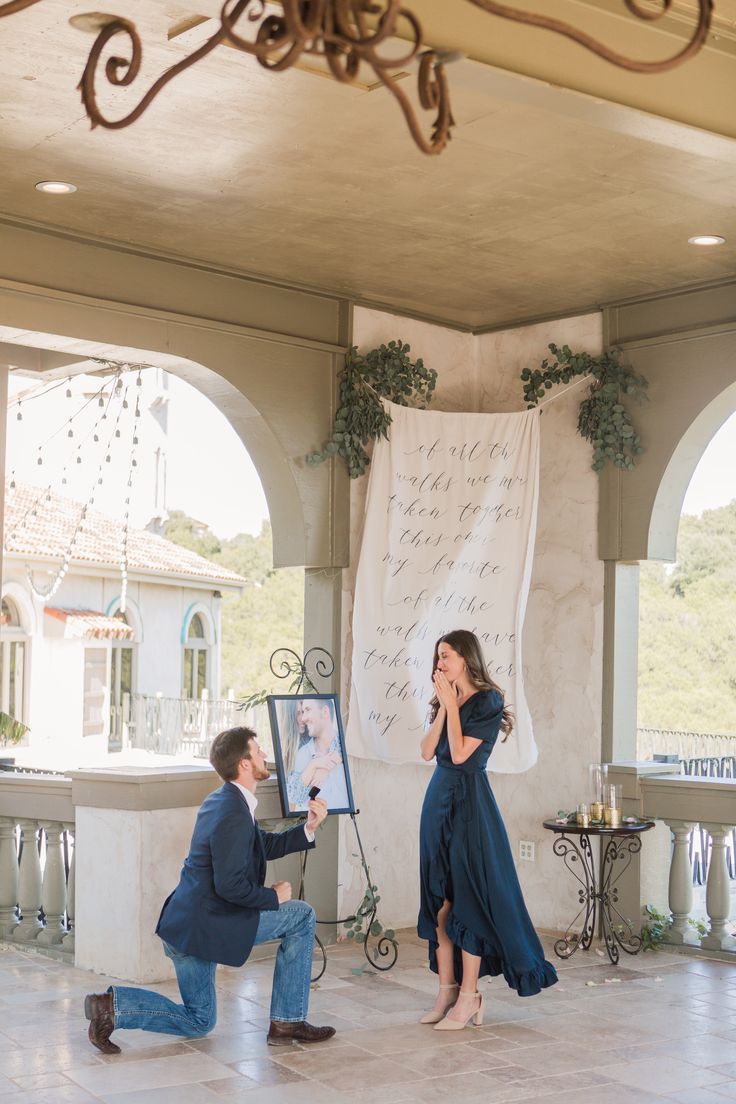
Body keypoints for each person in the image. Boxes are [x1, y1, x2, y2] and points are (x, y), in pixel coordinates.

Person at [84, 725, 336, 1055]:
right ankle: (287, 1021)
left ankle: (112, 1008)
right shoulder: (232, 810)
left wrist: (308, 828)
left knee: (199, 1021)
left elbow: (262, 845)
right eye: (258, 750)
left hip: (189, 927)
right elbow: (230, 885)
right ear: (244, 763)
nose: (263, 755)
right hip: (207, 924)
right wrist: (271, 897)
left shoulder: (227, 800)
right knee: (301, 916)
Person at [417, 629, 557, 1030]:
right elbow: (428, 751)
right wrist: (445, 706)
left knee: (468, 903)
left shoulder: (489, 700)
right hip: (437, 802)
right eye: (437, 657)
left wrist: (453, 706)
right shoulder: (447, 700)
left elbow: (461, 755)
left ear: (465, 658)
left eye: (445, 656)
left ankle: (469, 997)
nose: (439, 664)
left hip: (469, 806)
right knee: (439, 903)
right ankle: (445, 992)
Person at [287, 697, 350, 811]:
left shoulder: (347, 746)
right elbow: (294, 798)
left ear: (325, 712)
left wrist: (326, 768)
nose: (304, 718)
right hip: (312, 824)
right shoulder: (302, 754)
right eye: (302, 712)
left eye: (308, 710)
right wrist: (314, 765)